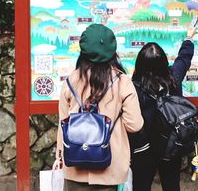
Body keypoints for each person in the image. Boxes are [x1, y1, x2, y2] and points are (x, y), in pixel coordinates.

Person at [56, 23, 144, 191]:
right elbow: (135, 125)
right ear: (112, 51)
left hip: (75, 162)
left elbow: (63, 123)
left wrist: (60, 156)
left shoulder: (70, 81)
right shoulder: (122, 82)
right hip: (110, 167)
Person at [129, 25, 197, 191]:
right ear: (164, 63)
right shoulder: (174, 77)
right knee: (172, 185)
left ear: (140, 64)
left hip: (144, 148)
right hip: (170, 145)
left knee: (141, 186)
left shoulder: (134, 88)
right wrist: (189, 37)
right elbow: (184, 58)